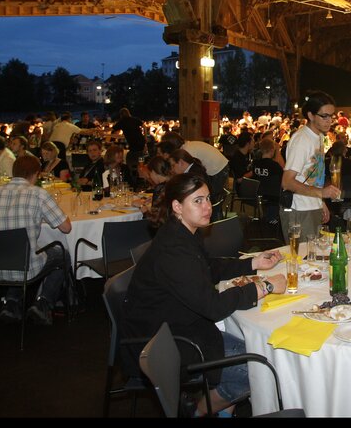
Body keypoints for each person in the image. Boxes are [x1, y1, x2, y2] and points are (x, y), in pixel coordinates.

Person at [120, 174, 285, 416]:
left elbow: (207, 267)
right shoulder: (174, 249)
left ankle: (222, 411)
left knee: (258, 356)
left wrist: (253, 263)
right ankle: (198, 412)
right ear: (177, 207)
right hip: (165, 343)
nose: (208, 206)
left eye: (208, 198)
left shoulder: (182, 232)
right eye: (197, 201)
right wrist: (264, 287)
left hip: (178, 326)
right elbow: (213, 307)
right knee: (259, 370)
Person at [0, 154, 72, 325]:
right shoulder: (38, 194)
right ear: (36, 174)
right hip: (25, 266)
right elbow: (66, 228)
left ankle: (11, 303)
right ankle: (44, 303)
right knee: (62, 253)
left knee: (18, 251)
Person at [280, 91, 343, 241]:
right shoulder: (302, 140)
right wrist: (322, 194)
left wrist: (320, 202)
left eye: (331, 116)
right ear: (310, 115)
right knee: (304, 257)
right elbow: (287, 182)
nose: (329, 120)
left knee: (314, 257)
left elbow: (313, 175)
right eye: (324, 116)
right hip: (298, 209)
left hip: (311, 204)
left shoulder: (319, 136)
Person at [248, 137, 285, 224]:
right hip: (273, 197)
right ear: (272, 150)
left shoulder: (256, 164)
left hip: (258, 195)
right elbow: (283, 177)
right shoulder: (274, 166)